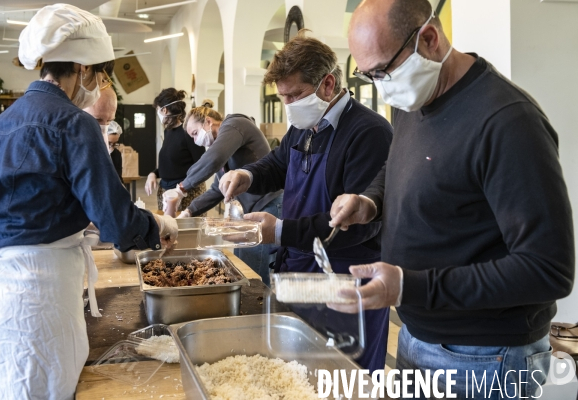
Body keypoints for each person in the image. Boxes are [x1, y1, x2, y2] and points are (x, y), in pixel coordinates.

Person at [329, 0, 574, 397]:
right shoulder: (413, 99)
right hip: (419, 335)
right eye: (367, 74)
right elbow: (398, 168)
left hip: (485, 356)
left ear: (428, 38)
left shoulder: (508, 121)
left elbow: (549, 269)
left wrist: (410, 287)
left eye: (382, 72)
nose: (380, 86)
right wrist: (370, 201)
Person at [0, 5, 177, 399]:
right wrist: (157, 226)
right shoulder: (74, 123)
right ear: (84, 69)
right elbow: (117, 224)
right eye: (100, 74)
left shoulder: (2, 123)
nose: (97, 82)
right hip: (41, 293)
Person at [219, 34, 393, 372]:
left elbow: (361, 224)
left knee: (344, 376)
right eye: (282, 97)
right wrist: (247, 175)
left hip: (345, 278)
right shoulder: (303, 125)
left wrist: (280, 231)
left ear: (328, 84)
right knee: (298, 371)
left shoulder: (368, 133)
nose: (288, 104)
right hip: (300, 270)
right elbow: (279, 164)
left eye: (295, 95)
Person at [178, 101, 283, 285]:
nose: (196, 141)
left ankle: (259, 309)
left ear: (208, 122)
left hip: (267, 204)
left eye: (195, 134)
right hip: (249, 212)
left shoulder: (235, 124)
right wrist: (189, 211)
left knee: (253, 272)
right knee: (242, 265)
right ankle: (251, 307)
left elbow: (213, 159)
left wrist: (181, 188)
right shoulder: (223, 149)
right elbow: (217, 190)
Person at [145, 88, 206, 213]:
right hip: (166, 191)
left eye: (158, 110)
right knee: (168, 230)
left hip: (187, 194)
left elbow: (202, 166)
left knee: (186, 231)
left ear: (164, 110)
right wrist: (154, 174)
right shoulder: (168, 131)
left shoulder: (188, 132)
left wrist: (182, 190)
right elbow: (171, 163)